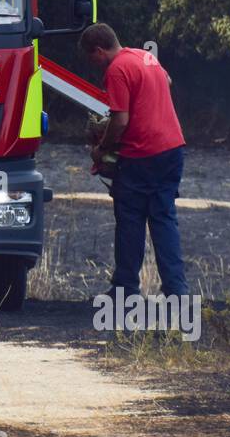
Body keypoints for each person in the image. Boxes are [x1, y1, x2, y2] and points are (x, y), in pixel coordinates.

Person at [80, 23, 189, 297]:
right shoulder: (144, 56)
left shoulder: (116, 69)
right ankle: (177, 291)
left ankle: (125, 289)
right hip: (173, 148)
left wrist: (102, 149)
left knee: (130, 220)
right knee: (163, 218)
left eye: (91, 58)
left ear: (99, 50)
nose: (93, 65)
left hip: (143, 154)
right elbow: (169, 81)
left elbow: (120, 120)